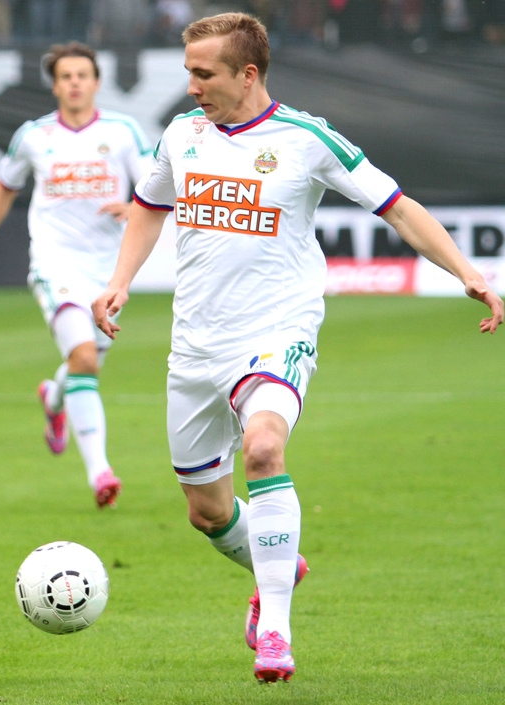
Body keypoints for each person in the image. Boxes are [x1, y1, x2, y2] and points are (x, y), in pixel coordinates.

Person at [91, 11, 503, 684]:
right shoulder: (181, 135)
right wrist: (118, 282)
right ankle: (276, 560)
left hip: (277, 329)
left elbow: (397, 206)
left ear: (247, 74)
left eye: (204, 73)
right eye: (188, 71)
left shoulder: (306, 138)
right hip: (195, 346)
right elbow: (147, 205)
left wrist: (468, 273)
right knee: (207, 511)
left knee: (264, 447)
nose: (191, 86)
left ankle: (275, 631)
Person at [0, 41, 155, 509]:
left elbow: (153, 187)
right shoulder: (34, 135)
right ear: (55, 84)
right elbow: (5, 187)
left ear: (96, 81)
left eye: (82, 75)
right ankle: (100, 472)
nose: (74, 83)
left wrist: (132, 205)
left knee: (87, 360)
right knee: (84, 356)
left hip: (109, 269)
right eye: (65, 76)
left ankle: (53, 396)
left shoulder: (123, 131)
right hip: (54, 261)